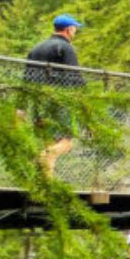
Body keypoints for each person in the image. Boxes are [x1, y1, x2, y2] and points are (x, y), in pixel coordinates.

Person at [25, 14, 86, 177]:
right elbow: (75, 76)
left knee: (49, 142)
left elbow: (27, 77)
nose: (75, 33)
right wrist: (84, 101)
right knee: (66, 143)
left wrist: (22, 106)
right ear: (68, 29)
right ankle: (43, 158)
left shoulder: (36, 48)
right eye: (75, 29)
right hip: (61, 101)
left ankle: (47, 184)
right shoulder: (66, 48)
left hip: (39, 100)